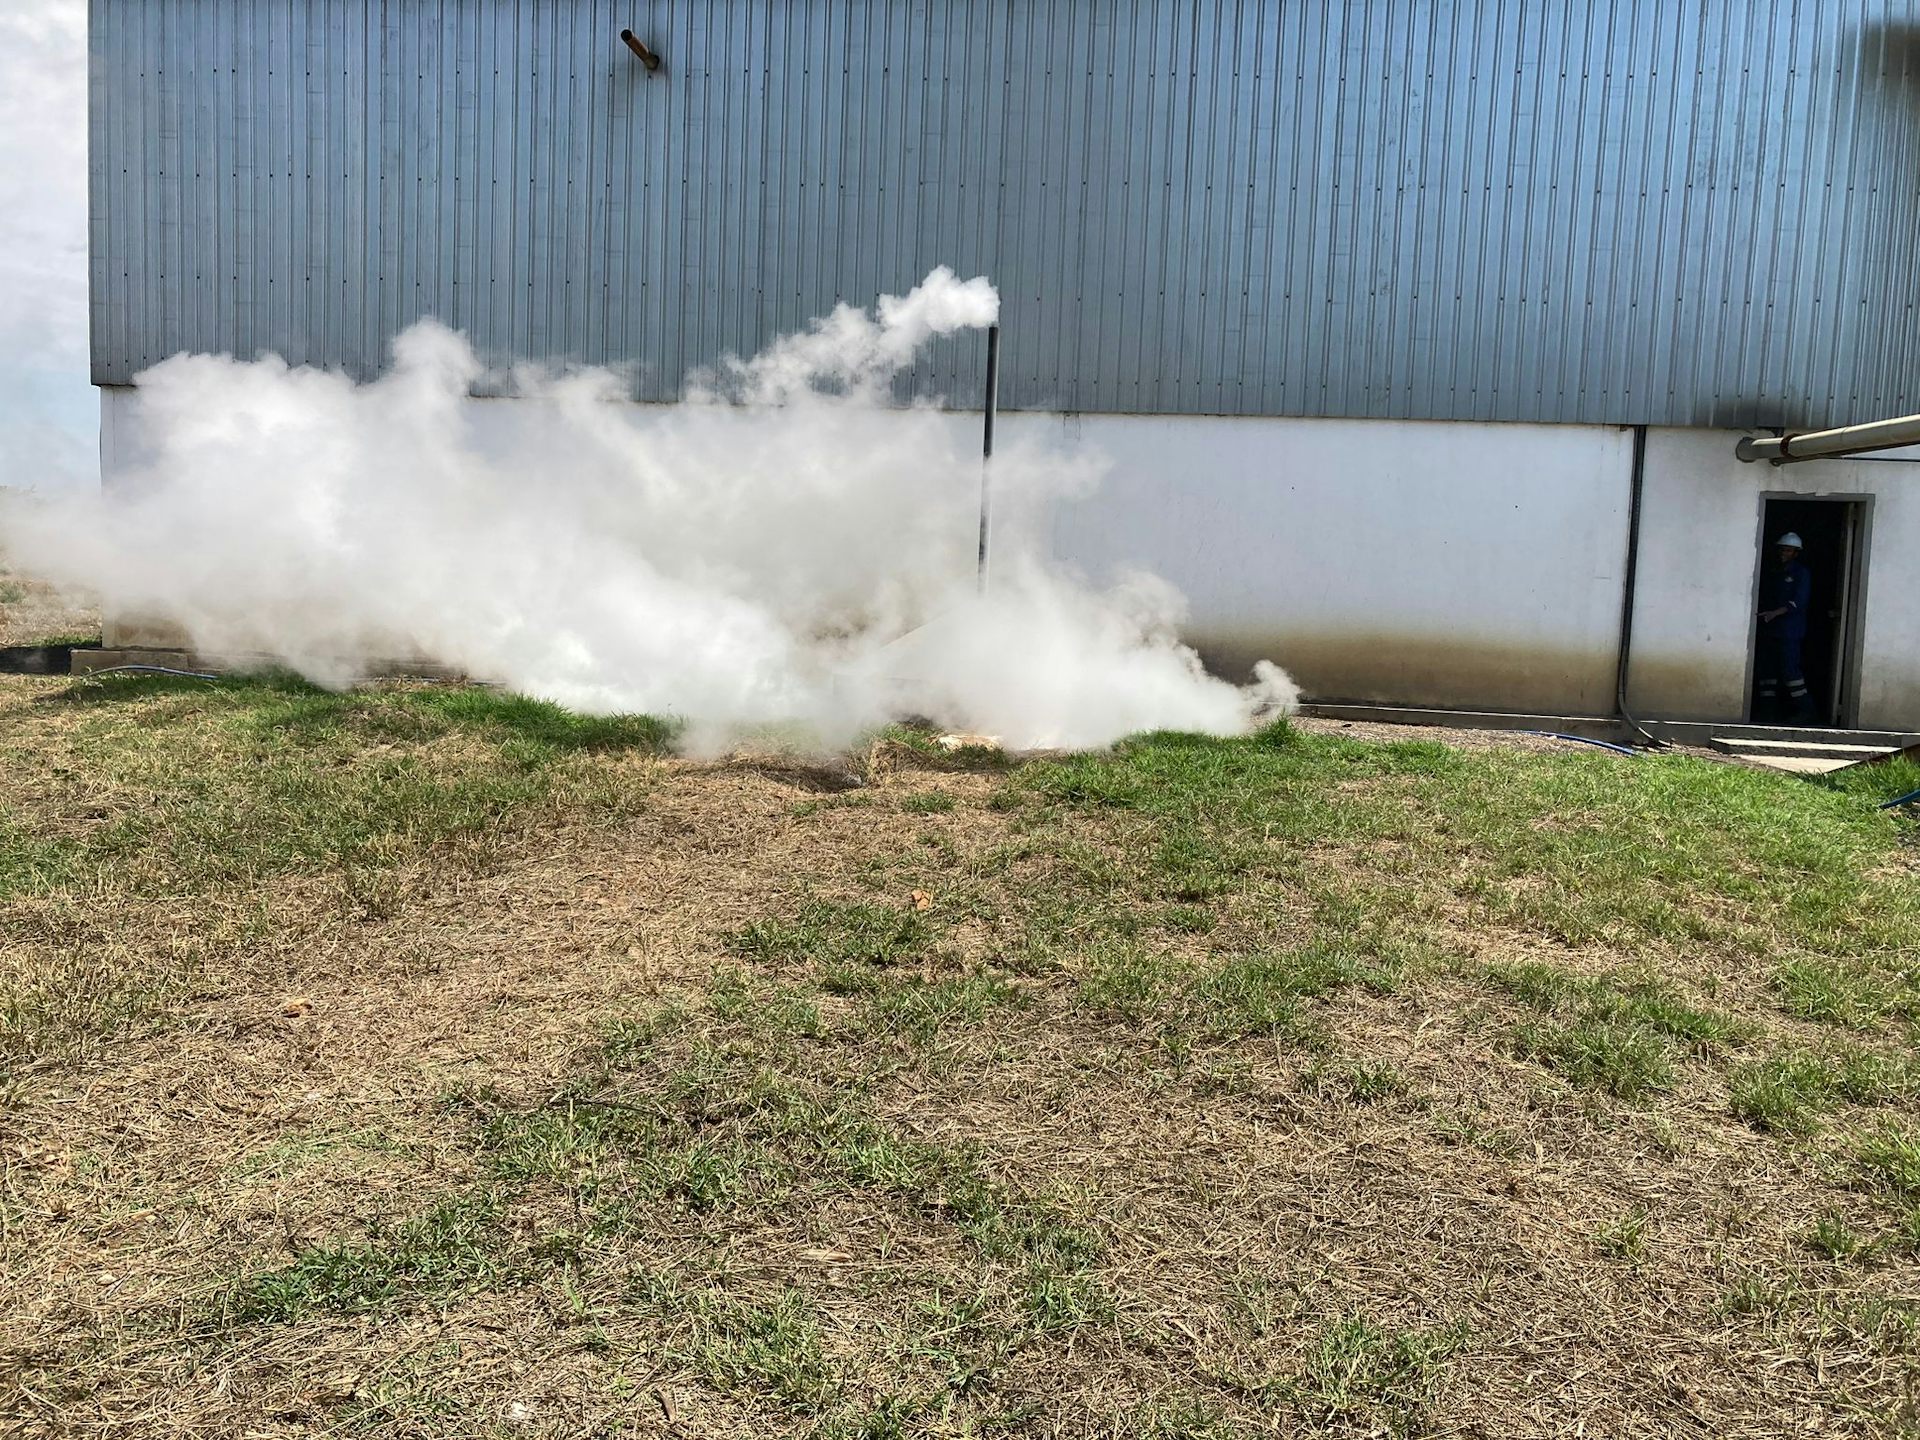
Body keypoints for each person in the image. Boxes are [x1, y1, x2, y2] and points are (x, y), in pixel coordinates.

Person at [1756, 532, 1813, 722]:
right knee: (1768, 671)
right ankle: (1767, 711)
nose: (1783, 553)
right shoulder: (1774, 572)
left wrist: (1775, 613)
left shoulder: (1801, 573)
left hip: (1790, 631)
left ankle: (1806, 710)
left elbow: (1798, 601)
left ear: (1796, 553)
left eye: (1788, 550)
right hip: (1771, 629)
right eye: (1782, 550)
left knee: (1791, 671)